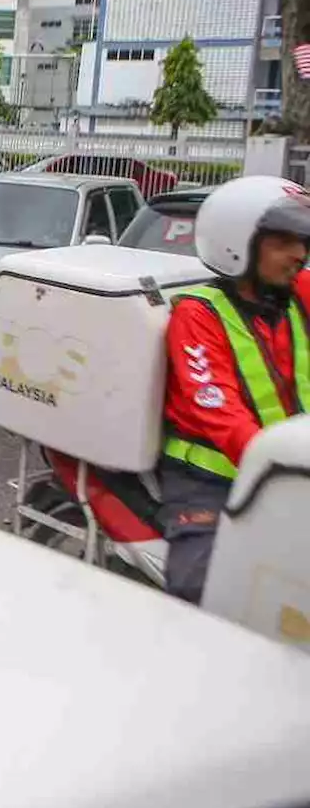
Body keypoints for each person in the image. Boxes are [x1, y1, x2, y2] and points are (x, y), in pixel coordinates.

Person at [159, 175, 310, 603]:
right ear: (239, 242)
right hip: (207, 481)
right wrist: (289, 475)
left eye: (302, 241)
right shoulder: (198, 314)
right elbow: (221, 414)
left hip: (288, 469)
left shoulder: (292, 296)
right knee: (205, 590)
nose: (299, 254)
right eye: (283, 241)